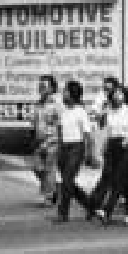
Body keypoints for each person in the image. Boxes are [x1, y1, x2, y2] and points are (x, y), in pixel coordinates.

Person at [88, 83, 128, 226]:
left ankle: (108, 210)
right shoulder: (110, 111)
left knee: (121, 178)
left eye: (120, 94)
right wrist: (106, 144)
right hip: (114, 144)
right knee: (118, 178)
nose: (118, 96)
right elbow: (108, 129)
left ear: (124, 96)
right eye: (115, 94)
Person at [50, 80, 95, 223]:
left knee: (67, 180)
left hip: (77, 147)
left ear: (73, 94)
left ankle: (63, 213)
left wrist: (89, 153)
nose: (64, 94)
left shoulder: (81, 112)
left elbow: (87, 134)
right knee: (67, 182)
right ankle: (91, 205)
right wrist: (58, 149)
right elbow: (60, 131)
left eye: (66, 91)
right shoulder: (63, 111)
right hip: (64, 147)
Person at [32, 75, 61, 206]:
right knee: (37, 168)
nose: (41, 88)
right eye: (40, 85)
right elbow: (35, 123)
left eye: (44, 86)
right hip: (39, 140)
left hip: (52, 141)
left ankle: (48, 196)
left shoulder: (57, 104)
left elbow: (60, 124)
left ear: (52, 88)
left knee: (49, 169)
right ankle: (54, 189)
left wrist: (54, 140)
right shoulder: (38, 104)